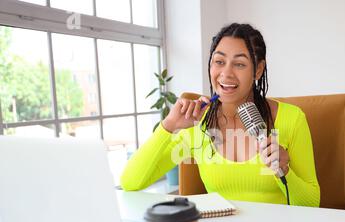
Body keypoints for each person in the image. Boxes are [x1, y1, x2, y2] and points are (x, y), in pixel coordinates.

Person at [121, 23, 320, 207]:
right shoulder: (196, 125)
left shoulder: (291, 119)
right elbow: (130, 182)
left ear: (258, 70)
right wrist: (169, 125)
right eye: (219, 61)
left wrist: (285, 171)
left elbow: (312, 205)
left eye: (240, 64)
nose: (226, 73)